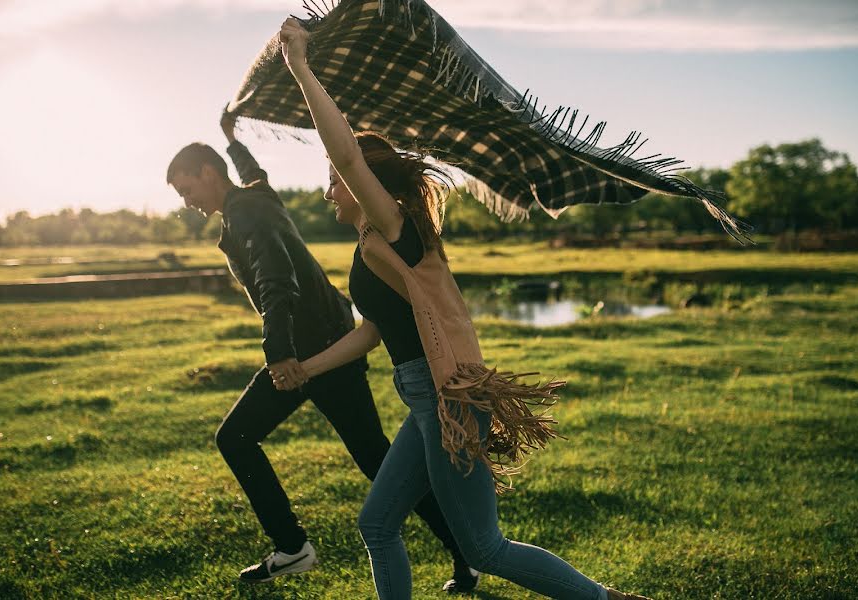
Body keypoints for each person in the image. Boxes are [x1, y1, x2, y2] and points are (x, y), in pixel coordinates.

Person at [274, 18, 652, 600]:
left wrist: (301, 67)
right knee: (377, 524)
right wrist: (309, 368)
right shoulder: (375, 248)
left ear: (368, 185)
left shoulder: (393, 226)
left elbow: (348, 155)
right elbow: (375, 331)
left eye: (335, 180)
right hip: (425, 397)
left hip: (447, 396)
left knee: (483, 548)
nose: (329, 190)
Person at [163, 115, 480, 592]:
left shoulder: (246, 214)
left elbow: (275, 282)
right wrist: (233, 141)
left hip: (316, 348)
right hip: (325, 339)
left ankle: (294, 548)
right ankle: (461, 552)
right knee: (373, 457)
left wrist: (279, 355)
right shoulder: (256, 197)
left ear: (208, 174)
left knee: (237, 438)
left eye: (186, 188)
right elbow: (255, 175)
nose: (186, 201)